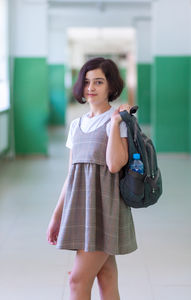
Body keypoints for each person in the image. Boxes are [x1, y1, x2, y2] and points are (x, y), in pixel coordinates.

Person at [46, 57, 138, 300]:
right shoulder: (76, 125)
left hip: (106, 210)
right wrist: (57, 216)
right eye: (87, 82)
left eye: (98, 81)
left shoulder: (119, 121)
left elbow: (114, 164)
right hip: (81, 209)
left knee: (77, 281)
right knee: (106, 277)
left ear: (111, 86)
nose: (91, 88)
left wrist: (115, 123)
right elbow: (71, 175)